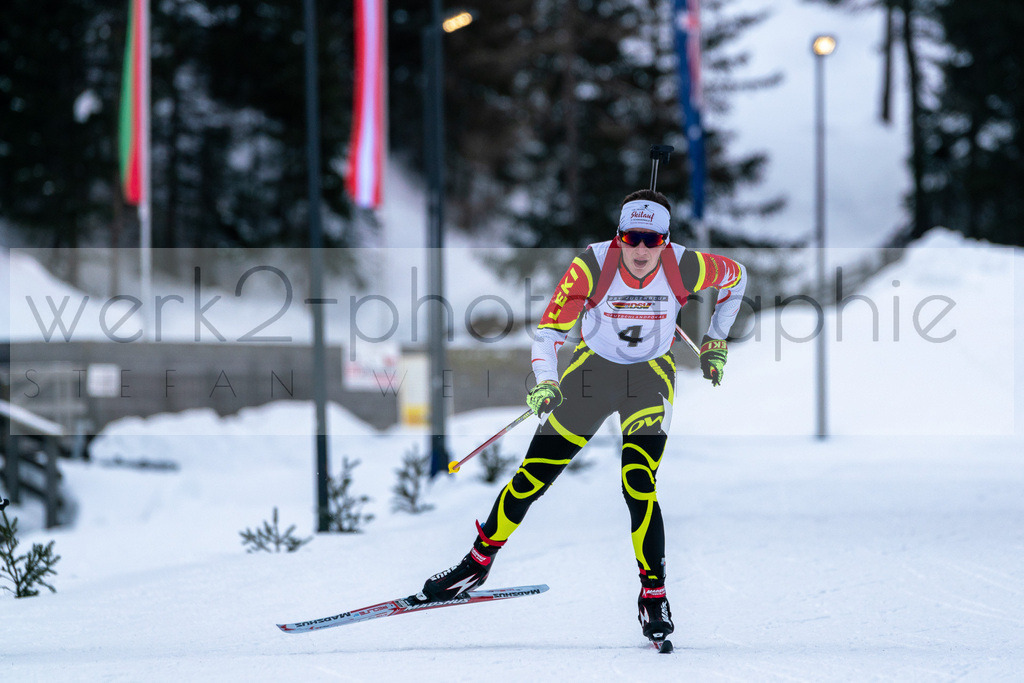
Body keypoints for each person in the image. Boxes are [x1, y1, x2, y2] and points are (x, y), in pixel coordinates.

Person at [420, 189, 748, 642]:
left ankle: (653, 596)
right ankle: (474, 566)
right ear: (618, 236)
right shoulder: (592, 266)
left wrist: (715, 339)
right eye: (631, 238)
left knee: (639, 481)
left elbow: (738, 278)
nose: (640, 250)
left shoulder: (688, 264)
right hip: (590, 374)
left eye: (652, 241)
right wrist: (546, 380)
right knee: (532, 478)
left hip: (649, 377)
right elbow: (550, 330)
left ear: (666, 241)